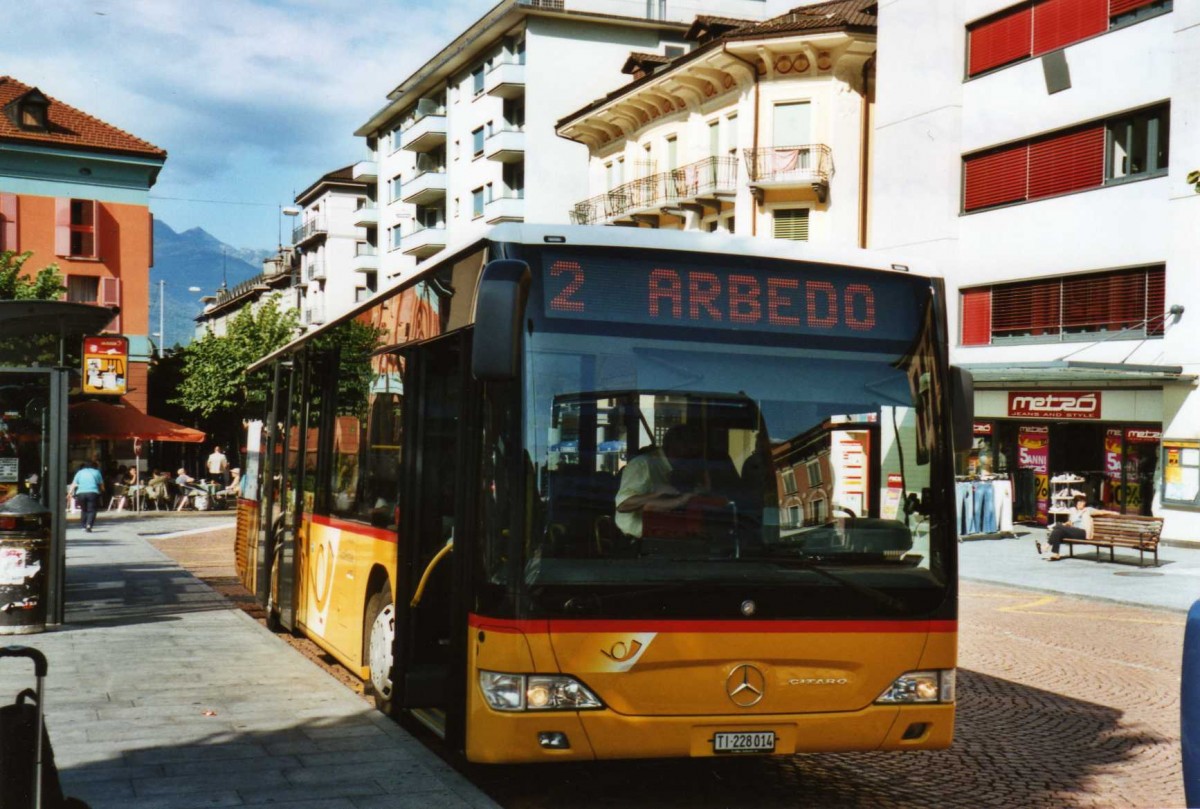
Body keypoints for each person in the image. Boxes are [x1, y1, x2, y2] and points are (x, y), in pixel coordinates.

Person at [615, 424, 706, 538]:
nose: (693, 456)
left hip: (664, 533)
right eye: (690, 450)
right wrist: (657, 494)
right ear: (674, 448)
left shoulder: (679, 467)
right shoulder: (643, 465)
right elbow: (623, 505)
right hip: (636, 540)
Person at [1039, 493, 1119, 561]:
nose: (1082, 504)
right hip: (1074, 532)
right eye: (1079, 502)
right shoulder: (1073, 510)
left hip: (1083, 532)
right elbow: (1071, 522)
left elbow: (1101, 512)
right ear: (1076, 503)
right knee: (1058, 531)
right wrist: (1066, 524)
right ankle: (1055, 554)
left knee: (1058, 527)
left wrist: (1113, 512)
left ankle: (1046, 545)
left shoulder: (1088, 510)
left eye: (1083, 502)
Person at [68, 460, 105, 532]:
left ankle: (83, 526)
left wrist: (69, 493)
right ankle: (89, 525)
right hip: (92, 492)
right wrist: (103, 490)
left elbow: (74, 484)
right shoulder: (97, 472)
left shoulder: (80, 472)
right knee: (91, 510)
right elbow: (101, 485)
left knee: (84, 509)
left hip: (81, 493)